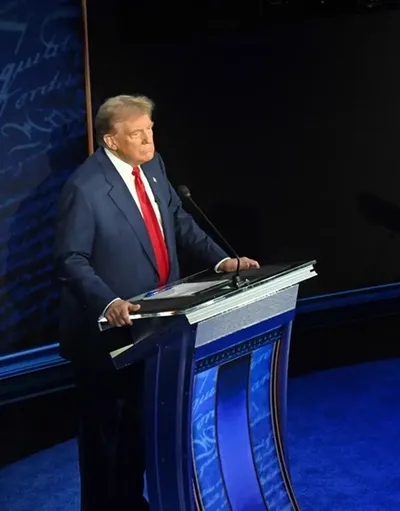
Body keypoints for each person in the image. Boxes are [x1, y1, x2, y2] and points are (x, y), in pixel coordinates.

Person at [53, 94, 260, 510]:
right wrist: (108, 301)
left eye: (150, 130)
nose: (149, 140)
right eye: (137, 134)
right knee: (105, 438)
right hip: (108, 335)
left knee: (138, 428)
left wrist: (222, 260)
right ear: (111, 141)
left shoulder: (153, 166)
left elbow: (178, 221)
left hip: (158, 324)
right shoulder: (85, 188)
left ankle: (132, 502)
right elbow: (69, 258)